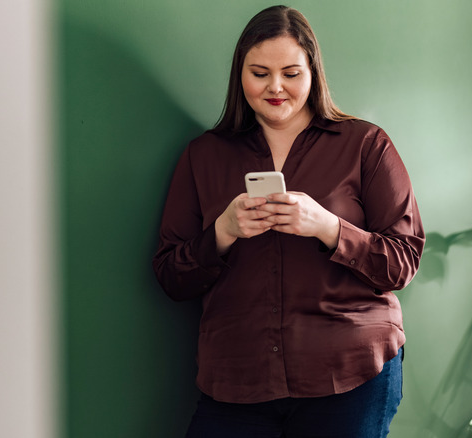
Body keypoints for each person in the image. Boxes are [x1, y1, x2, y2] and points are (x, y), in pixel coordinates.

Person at [153, 5, 425, 437]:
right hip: (236, 381)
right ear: (239, 75)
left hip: (350, 374)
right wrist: (222, 233)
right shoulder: (203, 156)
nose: (275, 87)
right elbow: (170, 275)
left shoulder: (366, 145)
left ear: (313, 72)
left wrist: (327, 227)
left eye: (291, 73)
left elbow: (404, 261)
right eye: (259, 73)